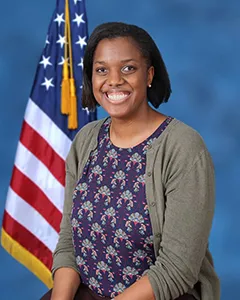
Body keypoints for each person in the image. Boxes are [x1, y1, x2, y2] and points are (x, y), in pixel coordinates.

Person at [41, 22, 220, 300]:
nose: (113, 80)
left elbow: (177, 269)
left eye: (128, 68)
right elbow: (69, 243)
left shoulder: (183, 148)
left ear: (149, 75)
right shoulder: (86, 141)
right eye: (102, 70)